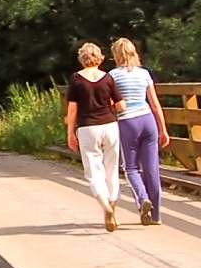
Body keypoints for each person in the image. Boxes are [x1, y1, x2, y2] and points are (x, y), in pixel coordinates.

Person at [110, 38, 170, 226]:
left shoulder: (112, 75)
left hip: (128, 122)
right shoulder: (144, 74)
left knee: (131, 167)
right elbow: (154, 103)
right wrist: (163, 129)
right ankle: (156, 216)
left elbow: (112, 104)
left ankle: (143, 198)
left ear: (116, 56)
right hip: (148, 120)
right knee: (152, 169)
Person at [65, 43, 124, 231]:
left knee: (93, 171)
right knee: (111, 169)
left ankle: (105, 207)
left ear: (82, 59)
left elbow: (72, 109)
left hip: (88, 128)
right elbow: (121, 105)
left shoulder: (76, 79)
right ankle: (112, 209)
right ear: (100, 57)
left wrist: (70, 133)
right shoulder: (107, 78)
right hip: (109, 125)